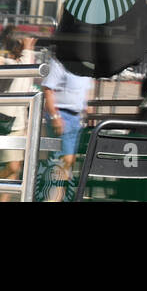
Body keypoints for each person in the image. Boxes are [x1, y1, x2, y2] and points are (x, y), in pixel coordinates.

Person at [0, 26, 37, 201]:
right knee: (13, 167)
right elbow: (24, 68)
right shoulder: (5, 62)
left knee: (12, 177)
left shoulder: (20, 62)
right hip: (5, 123)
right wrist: (28, 49)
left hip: (18, 124)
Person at [40, 50, 93, 201]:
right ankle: (52, 198)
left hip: (76, 118)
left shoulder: (86, 65)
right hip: (62, 115)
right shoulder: (59, 62)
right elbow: (47, 90)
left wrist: (86, 108)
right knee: (64, 162)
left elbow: (83, 92)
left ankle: (55, 197)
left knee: (66, 163)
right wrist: (55, 116)